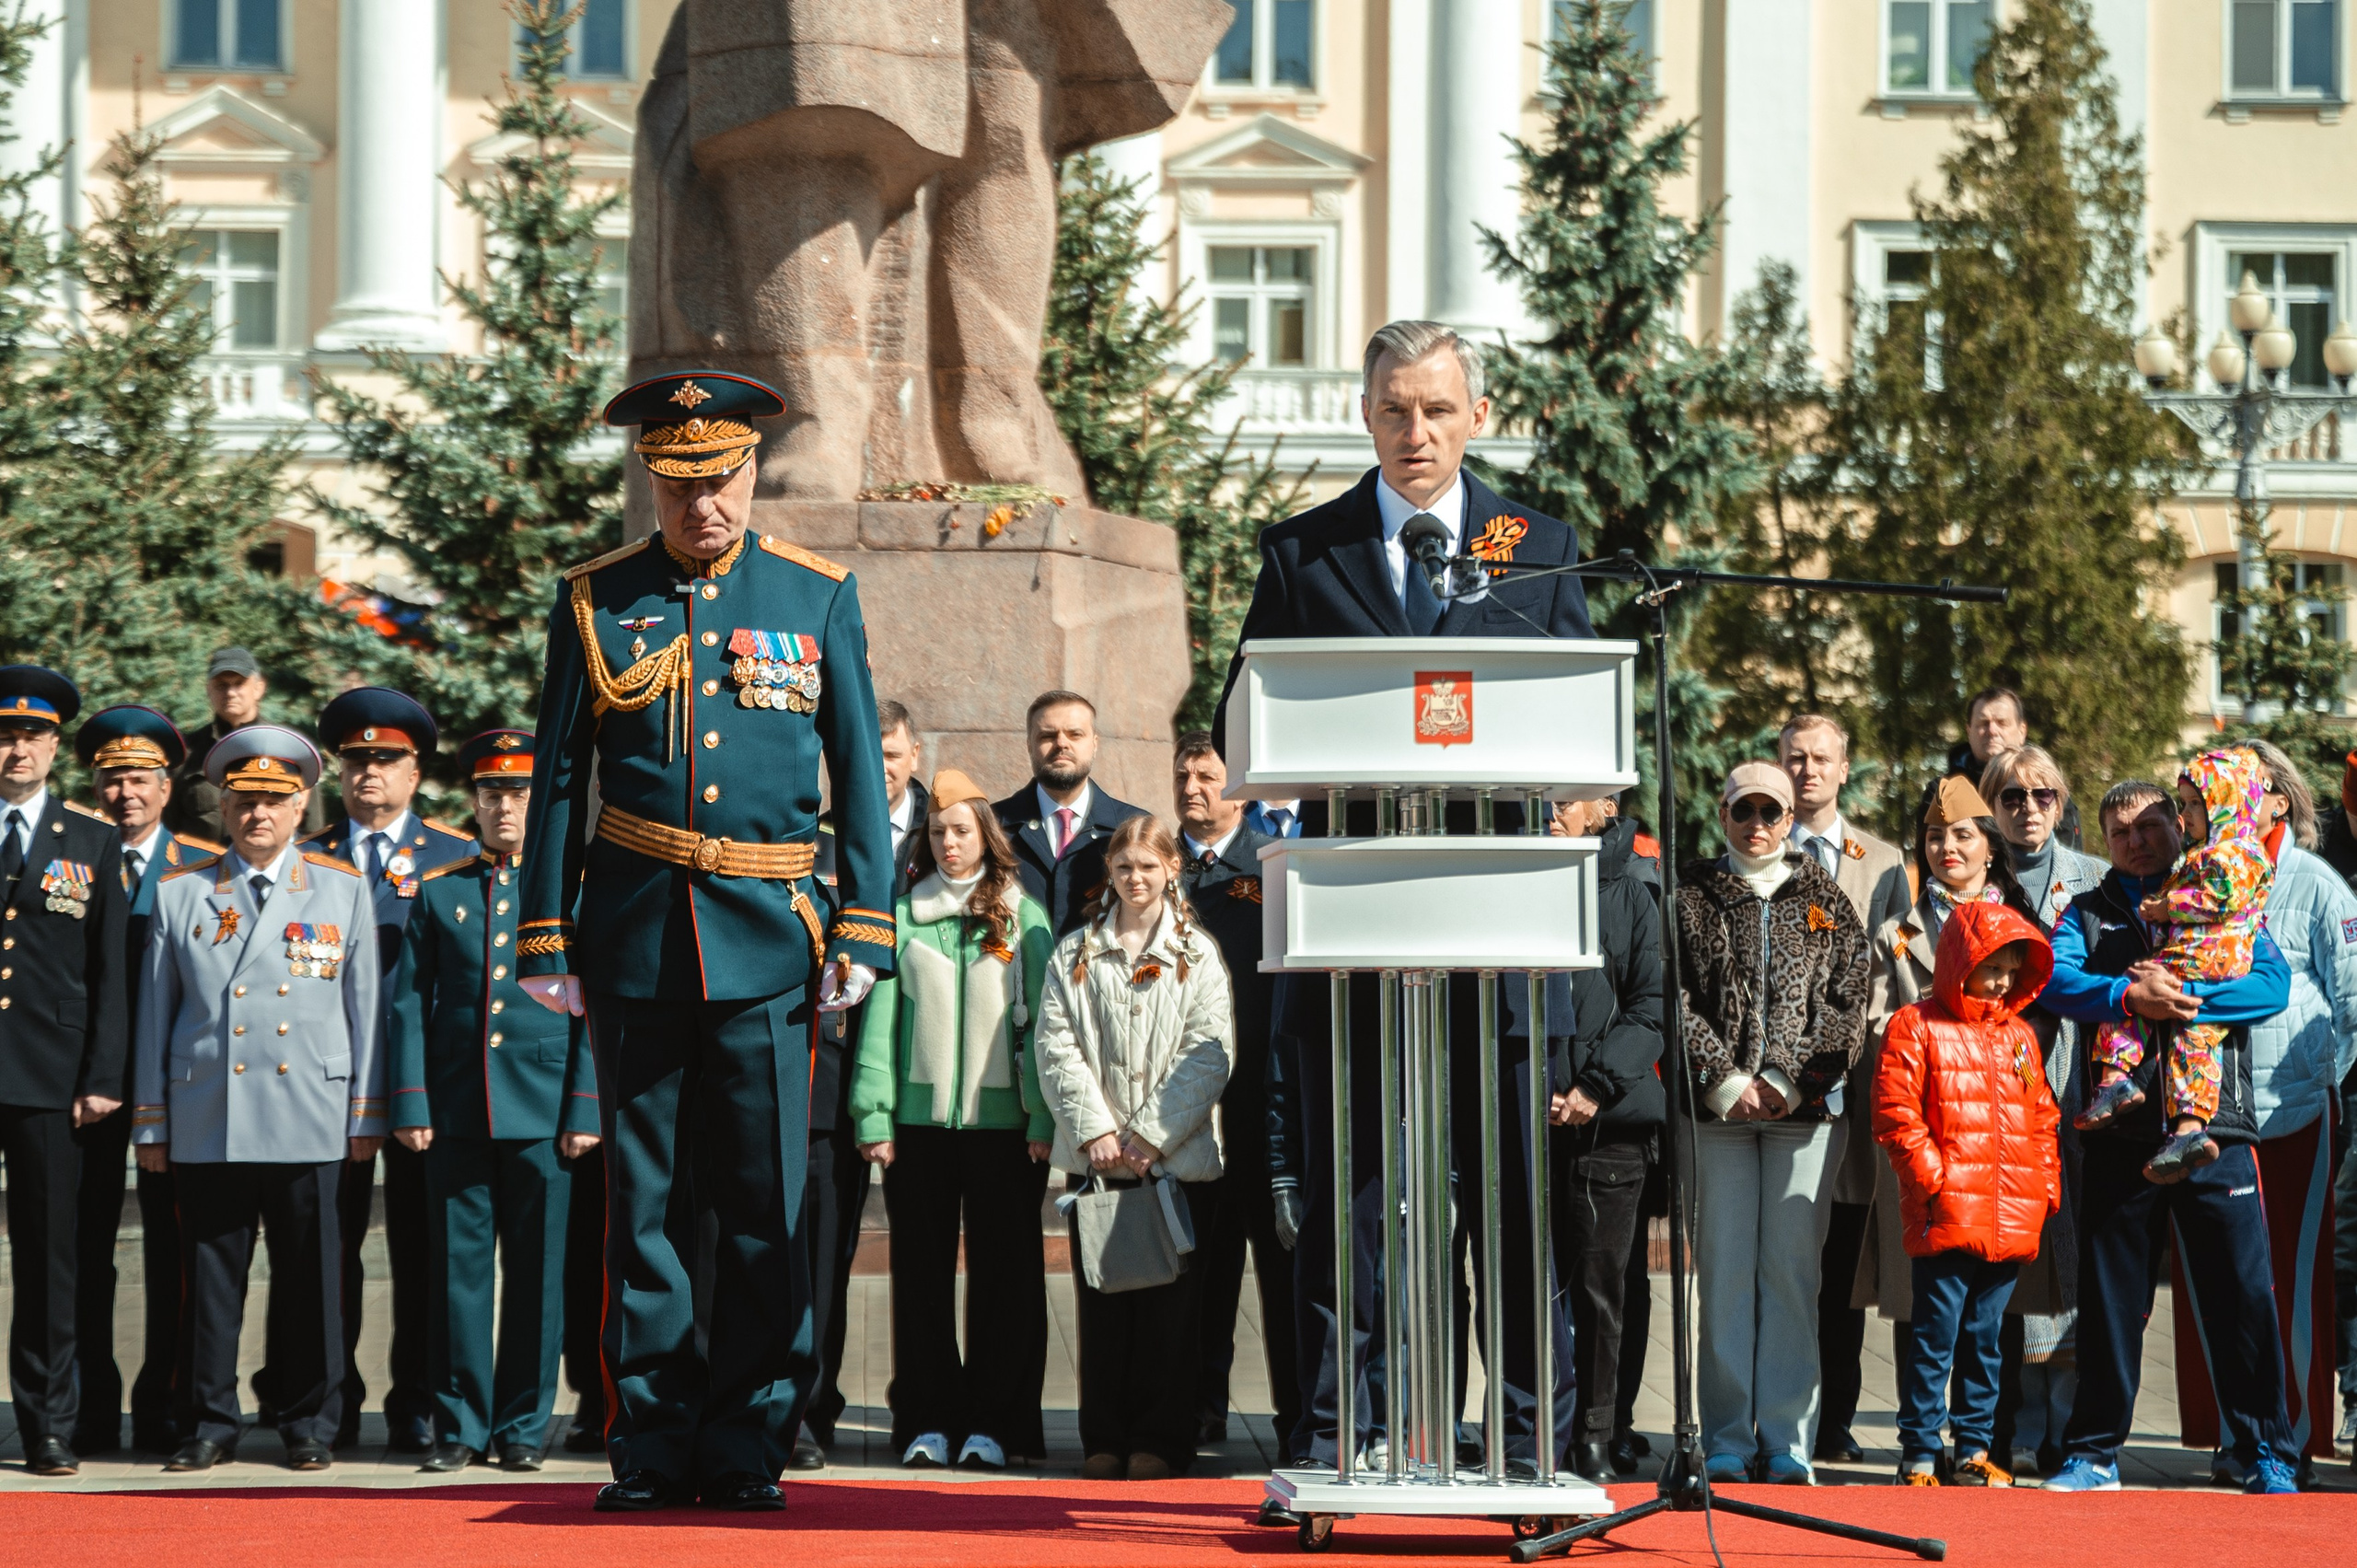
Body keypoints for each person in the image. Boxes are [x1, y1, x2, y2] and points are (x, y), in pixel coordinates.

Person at [517, 370, 897, 1515]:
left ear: (750, 474)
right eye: (680, 485)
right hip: (635, 935)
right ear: (652, 480)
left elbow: (861, 772)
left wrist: (863, 922)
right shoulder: (596, 595)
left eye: (722, 480)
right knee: (642, 1207)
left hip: (770, 942)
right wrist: (547, 936)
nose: (704, 508)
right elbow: (557, 779)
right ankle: (651, 1437)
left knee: (763, 1201)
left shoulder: (814, 593)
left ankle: (747, 1441)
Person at [1218, 320, 1590, 1471]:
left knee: (1509, 1208)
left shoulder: (1534, 544)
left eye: (1435, 408)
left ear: (1476, 415)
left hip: (1498, 923)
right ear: (1364, 414)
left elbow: (1580, 726)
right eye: (1392, 409)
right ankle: (1345, 1435)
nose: (1414, 431)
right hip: (1358, 919)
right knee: (1355, 1205)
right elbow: (1250, 717)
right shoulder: (1304, 551)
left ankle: (1527, 1445)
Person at [131, 725, 383, 1473]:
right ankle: (208, 1419)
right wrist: (151, 1118)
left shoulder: (341, 890)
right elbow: (155, 1014)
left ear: (302, 803)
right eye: (244, 799)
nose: (258, 813)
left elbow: (364, 1008)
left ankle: (309, 1419)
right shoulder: (184, 895)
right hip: (213, 1111)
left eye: (275, 799)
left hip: (310, 1109)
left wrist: (366, 1111)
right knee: (208, 1281)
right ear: (223, 806)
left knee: (312, 1279)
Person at [2039, 780, 2299, 1495]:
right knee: (2112, 1300)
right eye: (2119, 832)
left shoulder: (2224, 895)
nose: (2136, 841)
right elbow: (2054, 981)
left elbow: (2271, 986)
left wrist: (2181, 995)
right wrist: (2125, 996)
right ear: (2104, 843)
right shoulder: (2087, 911)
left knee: (2243, 1295)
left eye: (2150, 825)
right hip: (2122, 1135)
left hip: (2215, 1131)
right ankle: (2093, 1453)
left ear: (2179, 827)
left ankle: (2261, 1450)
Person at [388, 729, 600, 1473]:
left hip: (545, 1114)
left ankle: (520, 1425)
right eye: (491, 793)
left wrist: (584, 1106)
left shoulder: (569, 895)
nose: (504, 806)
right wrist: (411, 1101)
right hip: (457, 1111)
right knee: (459, 1275)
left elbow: (592, 1008)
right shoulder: (441, 891)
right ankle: (460, 1424)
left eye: (517, 793)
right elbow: (409, 1002)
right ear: (474, 803)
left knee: (541, 1280)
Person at [850, 768, 1054, 1472]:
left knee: (1005, 1277)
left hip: (1006, 1131)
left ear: (986, 836)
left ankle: (995, 1423)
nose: (949, 843)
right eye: (938, 832)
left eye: (961, 830)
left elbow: (1046, 1030)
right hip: (919, 1129)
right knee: (921, 1277)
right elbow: (881, 1022)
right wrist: (874, 1112)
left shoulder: (1026, 917)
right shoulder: (906, 913)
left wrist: (1044, 1118)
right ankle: (928, 1419)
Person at [292, 687, 475, 1452]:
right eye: (356, 759)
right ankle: (322, 1409)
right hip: (322, 1087)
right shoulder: (309, 860)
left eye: (386, 758)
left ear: (415, 770)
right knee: (325, 1256)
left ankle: (420, 1405)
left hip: (418, 1087)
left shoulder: (454, 857)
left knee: (425, 1251)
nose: (369, 771)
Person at [2168, 740, 2354, 1485]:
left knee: (2294, 1278)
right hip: (2207, 1110)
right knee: (2221, 1278)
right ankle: (2234, 1436)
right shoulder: (2186, 877)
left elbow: (2350, 1001)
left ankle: (2298, 1437)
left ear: (2273, 798)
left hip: (2295, 1111)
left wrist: (2321, 1080)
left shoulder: (2313, 883)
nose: (2195, 815)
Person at [1678, 761, 1869, 1485]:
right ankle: (1725, 1437)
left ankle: (1786, 1440)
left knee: (1791, 1276)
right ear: (1723, 813)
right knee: (1724, 1275)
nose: (1757, 824)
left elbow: (1848, 998)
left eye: (1772, 811)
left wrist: (1791, 1081)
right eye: (1743, 810)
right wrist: (1726, 1080)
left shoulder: (1825, 897)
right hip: (1720, 1115)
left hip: (1805, 1117)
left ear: (1791, 818)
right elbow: (1676, 997)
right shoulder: (1690, 894)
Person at [1034, 813, 1235, 1481]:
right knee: (1104, 1306)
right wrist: (1094, 1128)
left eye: (1148, 865)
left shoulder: (1197, 954)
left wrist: (1150, 1134)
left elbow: (1210, 1053)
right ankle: (1104, 1435)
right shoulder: (1076, 952)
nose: (1136, 877)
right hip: (1098, 1164)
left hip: (1171, 1162)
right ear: (1109, 874)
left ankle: (1160, 1437)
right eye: (1124, 867)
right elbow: (1055, 1044)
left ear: (1171, 868)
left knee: (1169, 1314)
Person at [69, 705, 215, 1458]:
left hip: (173, 1080)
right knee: (85, 1241)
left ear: (167, 788)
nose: (125, 792)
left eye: (139, 779)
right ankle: (90, 1403)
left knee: (175, 1245)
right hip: (88, 1079)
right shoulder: (74, 857)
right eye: (111, 778)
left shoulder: (199, 864)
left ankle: (167, 1397)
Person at [1875, 901, 2061, 1487]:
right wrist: (1935, 1182)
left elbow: (2041, 1118)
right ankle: (1920, 1453)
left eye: (2012, 968)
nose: (2003, 980)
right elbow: (1896, 1115)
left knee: (1986, 1342)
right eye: (1992, 965)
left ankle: (1974, 1450)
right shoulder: (1916, 1025)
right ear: (1958, 961)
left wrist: (2045, 1188)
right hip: (1949, 1213)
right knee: (1934, 1340)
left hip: (2009, 1216)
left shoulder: (2022, 1039)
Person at [0, 668, 129, 1478]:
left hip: (51, 1074)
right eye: (5, 735)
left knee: (50, 1257)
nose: (17, 748)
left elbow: (109, 969)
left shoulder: (90, 840)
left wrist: (103, 1073)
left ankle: (47, 1422)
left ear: (54, 748)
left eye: (32, 736)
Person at [796, 699, 930, 1469]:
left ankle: (926, 1414)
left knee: (917, 1257)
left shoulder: (944, 835)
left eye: (892, 753)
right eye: (865, 752)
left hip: (920, 1079)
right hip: (825, 1069)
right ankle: (809, 1410)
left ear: (914, 755)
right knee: (815, 1253)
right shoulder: (806, 834)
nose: (878, 766)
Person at [1778, 713, 1910, 1467]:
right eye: (1795, 757)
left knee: (1845, 1260)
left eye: (1821, 757)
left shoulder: (1884, 862)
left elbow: (1896, 971)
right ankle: (1778, 1413)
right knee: (1790, 1247)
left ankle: (1834, 1420)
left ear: (1844, 765)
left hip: (1855, 1087)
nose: (1807, 770)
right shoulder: (1756, 843)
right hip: (1779, 1086)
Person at [1169, 733, 1300, 1475]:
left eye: (1208, 775)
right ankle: (1194, 1415)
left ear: (1240, 787)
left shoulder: (1271, 868)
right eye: (1183, 775)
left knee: (1279, 1278)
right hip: (1186, 1110)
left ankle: (1295, 1421)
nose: (1193, 787)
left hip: (1261, 1107)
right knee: (1198, 1275)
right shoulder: (1161, 868)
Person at [1979, 744, 2106, 1476]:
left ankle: (2066, 1427)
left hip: (2080, 1096)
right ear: (1993, 808)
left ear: (2062, 803)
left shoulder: (2095, 880)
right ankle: (2011, 1427)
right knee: (2011, 1265)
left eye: (2044, 795)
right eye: (2012, 797)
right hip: (1997, 1107)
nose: (2029, 809)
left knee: (2071, 1267)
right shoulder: (1980, 886)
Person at [2078, 751, 2274, 1180]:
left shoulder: (2235, 852)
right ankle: (2188, 1126)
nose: (2186, 815)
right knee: (2190, 1039)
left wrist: (2169, 907)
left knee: (2138, 989)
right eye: (2183, 803)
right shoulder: (2208, 852)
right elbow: (2060, 980)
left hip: (2207, 956)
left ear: (2223, 804)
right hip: (2201, 957)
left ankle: (2116, 1078)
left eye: (2192, 805)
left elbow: (2221, 898)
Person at [1544, 790, 1664, 1482]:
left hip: (1607, 1126)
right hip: (1527, 1122)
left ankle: (1594, 1432)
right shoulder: (1515, 880)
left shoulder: (1632, 893)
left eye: (1564, 799)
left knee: (1598, 1287)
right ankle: (1531, 1424)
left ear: (1605, 805)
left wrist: (1592, 1085)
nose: (1551, 810)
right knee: (1528, 1285)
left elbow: (1650, 1006)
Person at [991, 691, 1146, 937]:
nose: (1062, 744)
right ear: (1029, 745)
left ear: (1094, 744)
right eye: (1047, 736)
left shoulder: (1135, 828)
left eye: (1075, 734)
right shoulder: (992, 827)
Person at [166, 647, 324, 844]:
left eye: (239, 684)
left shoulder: (288, 748)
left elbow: (311, 831)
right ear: (208, 689)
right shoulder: (187, 753)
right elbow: (169, 828)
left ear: (259, 688)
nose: (230, 693)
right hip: (202, 869)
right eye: (221, 685)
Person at [1946, 687, 2079, 849]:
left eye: (2002, 723)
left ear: (2022, 730)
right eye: (1983, 723)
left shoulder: (2049, 790)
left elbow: (2069, 859)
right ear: (1969, 731)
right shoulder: (1943, 794)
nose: (1992, 731)